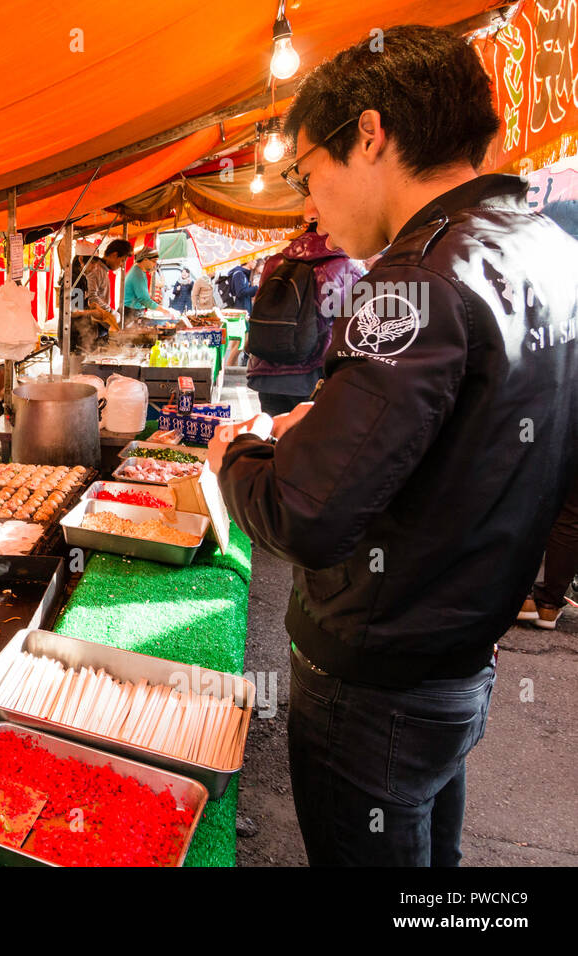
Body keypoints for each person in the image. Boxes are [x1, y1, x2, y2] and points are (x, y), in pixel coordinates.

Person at [207, 24, 578, 867]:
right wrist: (339, 429)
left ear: (369, 134)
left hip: (375, 681)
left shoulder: (418, 278)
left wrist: (236, 457)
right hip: (462, 658)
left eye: (307, 173)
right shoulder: (553, 253)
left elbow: (305, 513)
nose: (309, 204)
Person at [518, 200, 578, 630]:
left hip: (545, 408)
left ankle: (519, 595)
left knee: (529, 498)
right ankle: (550, 604)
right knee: (572, 512)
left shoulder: (544, 278)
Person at [247, 223, 364, 416]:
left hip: (267, 371)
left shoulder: (274, 262)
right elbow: (355, 327)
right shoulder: (346, 268)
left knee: (271, 437)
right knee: (308, 442)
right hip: (311, 377)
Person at [123, 248, 162, 319]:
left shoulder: (139, 271)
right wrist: (165, 310)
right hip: (130, 313)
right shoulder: (137, 274)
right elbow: (144, 300)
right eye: (154, 261)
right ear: (145, 260)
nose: (155, 264)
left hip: (133, 311)